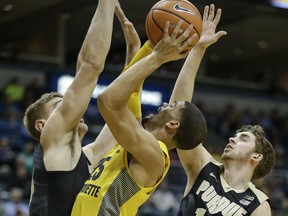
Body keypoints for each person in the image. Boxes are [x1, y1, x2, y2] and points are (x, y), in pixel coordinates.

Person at [71, 3, 226, 215]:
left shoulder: (155, 154)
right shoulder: (137, 138)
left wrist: (158, 57)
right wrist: (152, 46)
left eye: (171, 106)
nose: (164, 104)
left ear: (172, 125)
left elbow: (108, 100)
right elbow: (131, 91)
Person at [22, 1, 142, 215]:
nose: (73, 109)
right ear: (42, 125)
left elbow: (126, 118)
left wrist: (134, 55)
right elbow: (89, 66)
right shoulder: (53, 139)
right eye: (60, 107)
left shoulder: (87, 156)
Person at [167, 5, 276, 216]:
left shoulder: (259, 206)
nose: (233, 139)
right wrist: (198, 50)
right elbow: (177, 112)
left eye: (243, 139)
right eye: (236, 136)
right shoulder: (202, 166)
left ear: (256, 157)